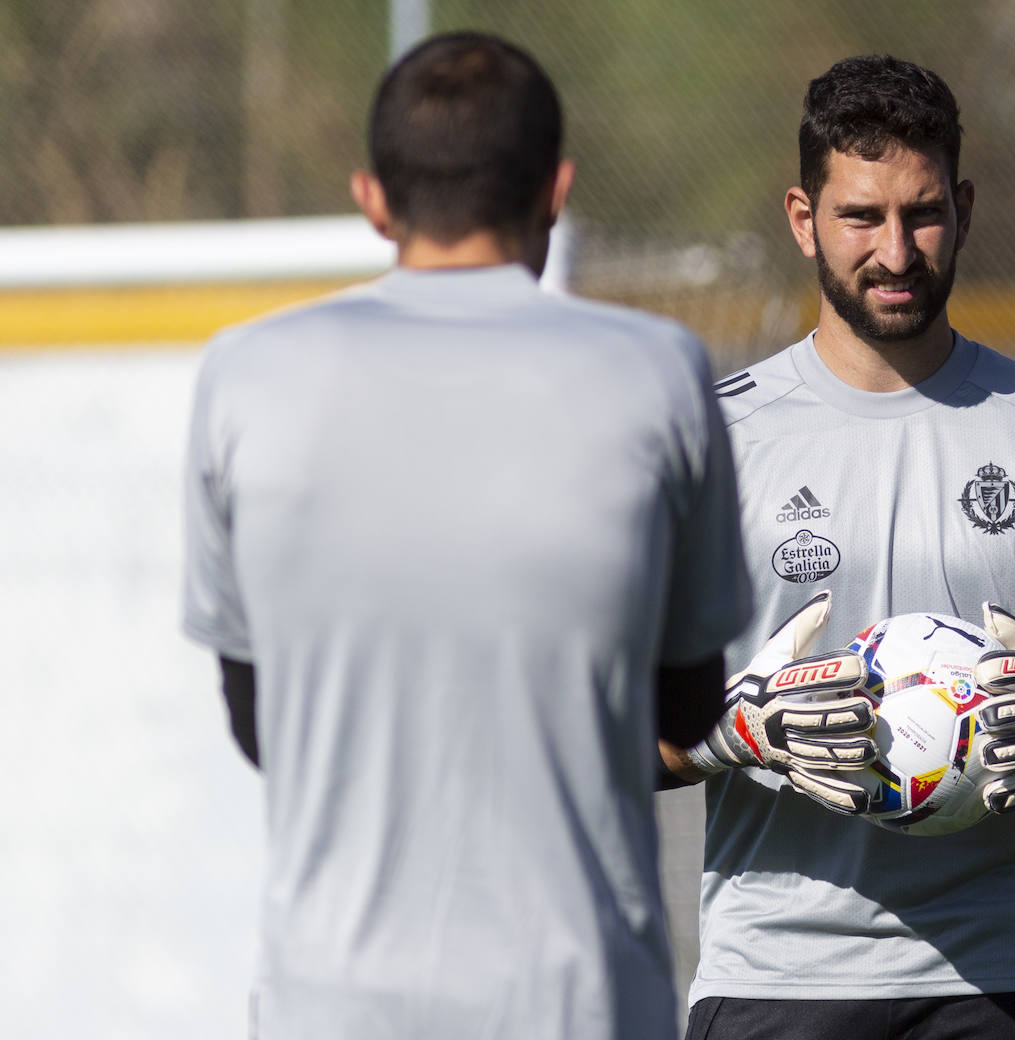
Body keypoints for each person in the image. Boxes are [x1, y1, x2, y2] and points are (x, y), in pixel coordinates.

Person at [181, 31, 753, 1040]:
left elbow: (256, 716)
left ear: (371, 196)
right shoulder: (660, 370)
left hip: (328, 1001)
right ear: (557, 188)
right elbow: (689, 699)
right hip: (579, 999)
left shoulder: (243, 376)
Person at [661, 54, 1015, 1040]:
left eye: (922, 213)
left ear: (962, 207)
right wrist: (736, 728)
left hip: (1005, 971)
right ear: (802, 217)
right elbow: (606, 730)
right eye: (861, 216)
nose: (897, 251)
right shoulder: (707, 441)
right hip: (776, 969)